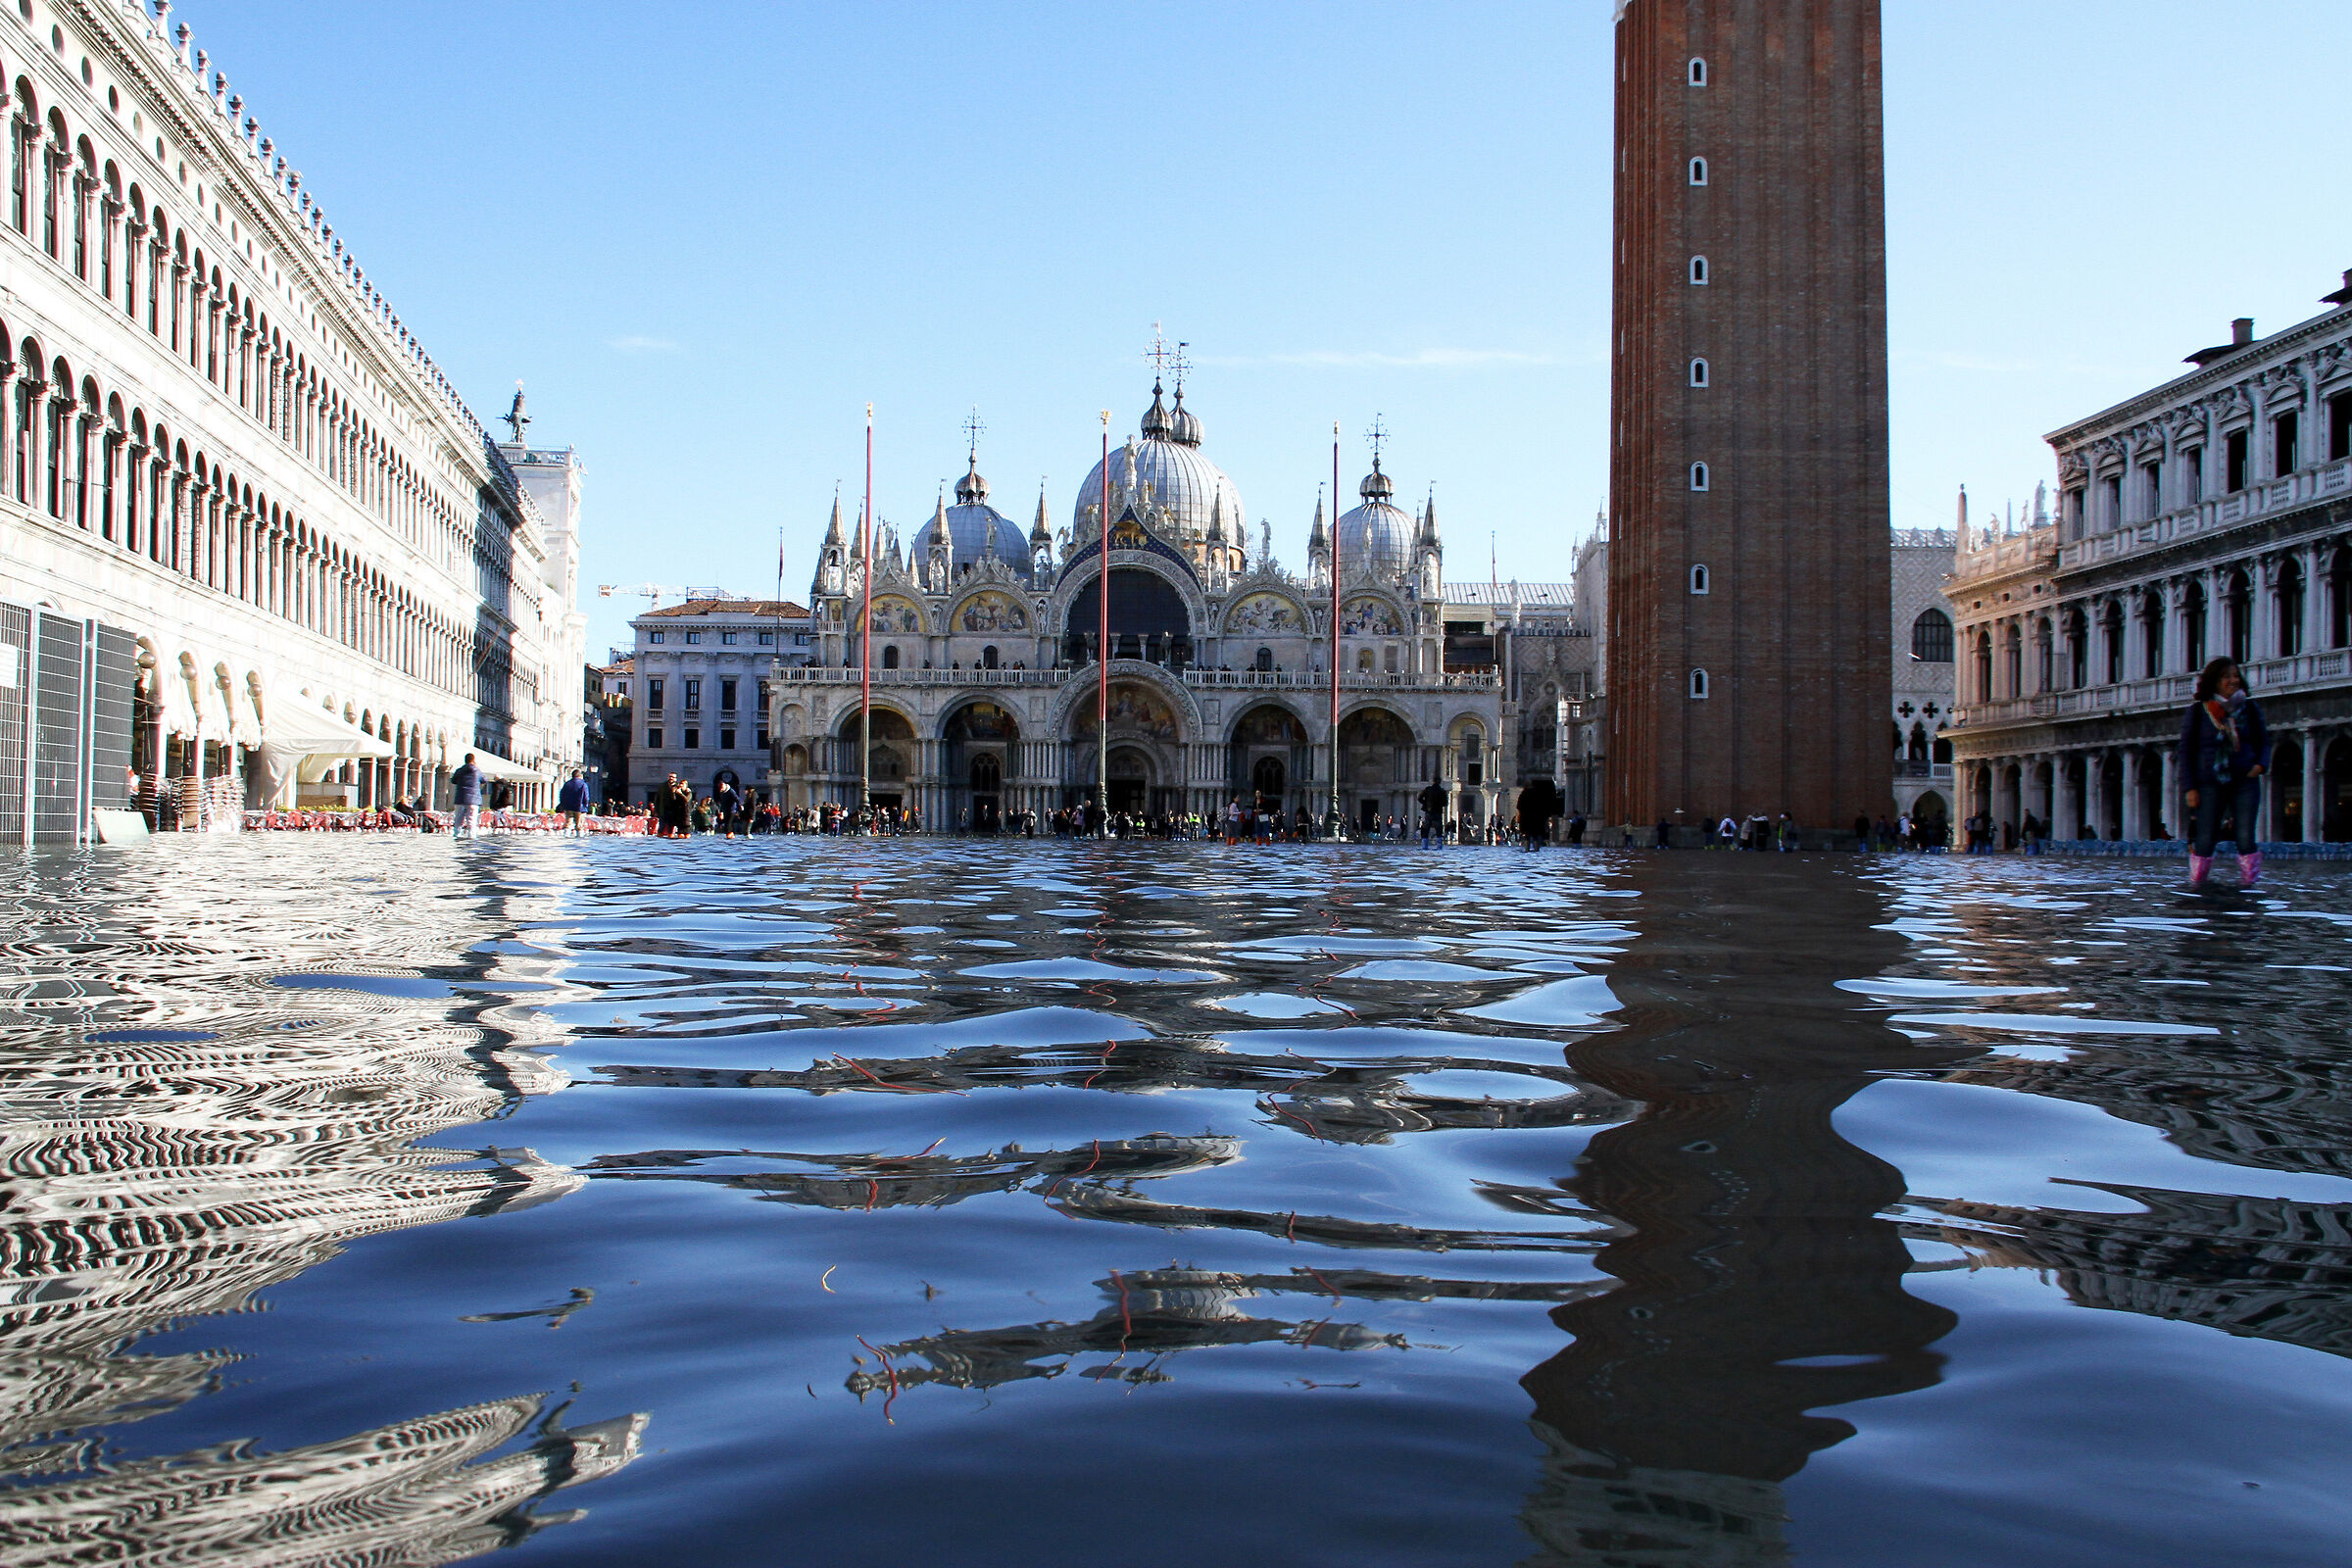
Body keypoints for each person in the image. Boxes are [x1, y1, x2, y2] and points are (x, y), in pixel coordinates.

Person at [2180, 656, 2270, 890]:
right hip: (2209, 782)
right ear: (2214, 681)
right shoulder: (2199, 712)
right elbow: (2186, 751)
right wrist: (2189, 787)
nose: (2232, 680)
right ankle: (2197, 886)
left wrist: (2260, 765)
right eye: (2226, 676)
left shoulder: (2249, 708)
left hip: (2244, 781)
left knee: (2245, 837)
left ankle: (2249, 886)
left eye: (2235, 676)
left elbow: (2263, 741)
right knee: (2205, 839)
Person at [451, 753, 483, 839]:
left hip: (460, 798)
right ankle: (471, 836)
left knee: (458, 820)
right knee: (472, 820)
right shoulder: (477, 771)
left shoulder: (460, 770)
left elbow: (453, 780)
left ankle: (457, 835)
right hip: (474, 800)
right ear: (474, 760)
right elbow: (484, 780)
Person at [558, 769, 589, 835]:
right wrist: (586, 806)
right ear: (580, 776)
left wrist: (563, 805)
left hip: (568, 807)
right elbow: (586, 797)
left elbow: (561, 795)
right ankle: (578, 838)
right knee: (579, 825)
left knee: (568, 823)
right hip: (580, 807)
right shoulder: (583, 784)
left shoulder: (567, 784)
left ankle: (566, 836)